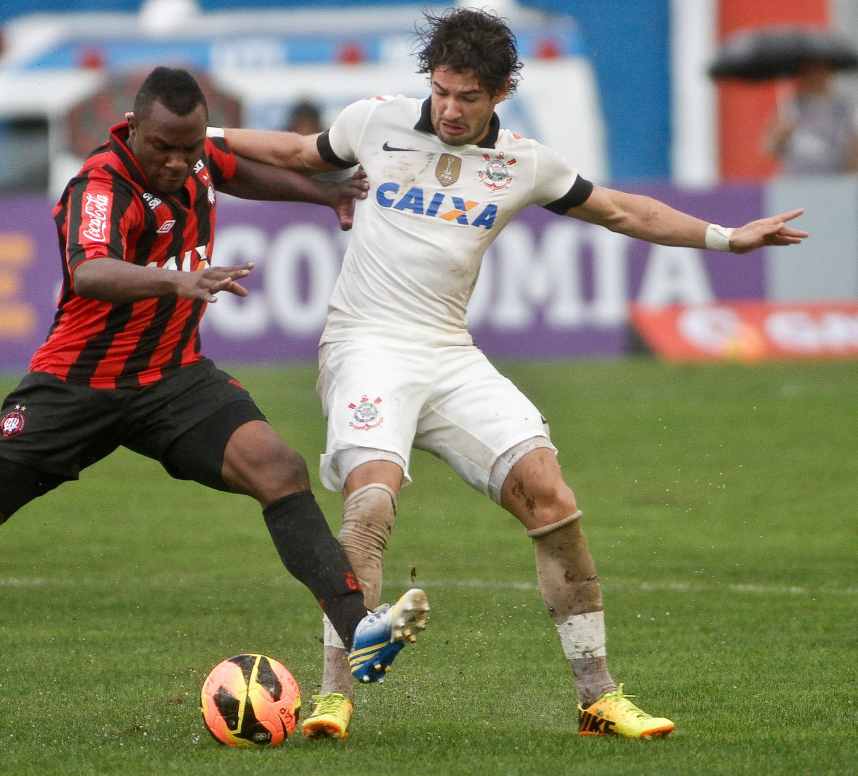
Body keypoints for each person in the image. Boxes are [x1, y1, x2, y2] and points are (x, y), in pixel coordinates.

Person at [0, 66, 429, 739]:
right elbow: (90, 271)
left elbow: (234, 169)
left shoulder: (193, 154)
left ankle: (358, 631)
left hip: (170, 378)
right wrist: (175, 283)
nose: (177, 162)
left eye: (189, 149)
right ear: (133, 129)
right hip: (75, 388)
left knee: (277, 467)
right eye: (163, 147)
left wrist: (327, 196)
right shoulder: (99, 184)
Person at [219, 7, 808, 740]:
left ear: (501, 92)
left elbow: (623, 212)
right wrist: (200, 138)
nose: (449, 108)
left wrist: (726, 237)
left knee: (551, 496)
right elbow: (300, 152)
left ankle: (598, 697)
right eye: (440, 91)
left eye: (468, 96)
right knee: (370, 507)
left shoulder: (524, 163)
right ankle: (333, 695)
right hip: (365, 344)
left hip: (448, 352)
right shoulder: (375, 121)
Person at [761, 59, 858, 176]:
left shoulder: (844, 109)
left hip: (833, 181)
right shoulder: (792, 106)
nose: (815, 76)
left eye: (820, 71)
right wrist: (781, 134)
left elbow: (856, 148)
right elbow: (769, 147)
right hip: (796, 181)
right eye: (810, 72)